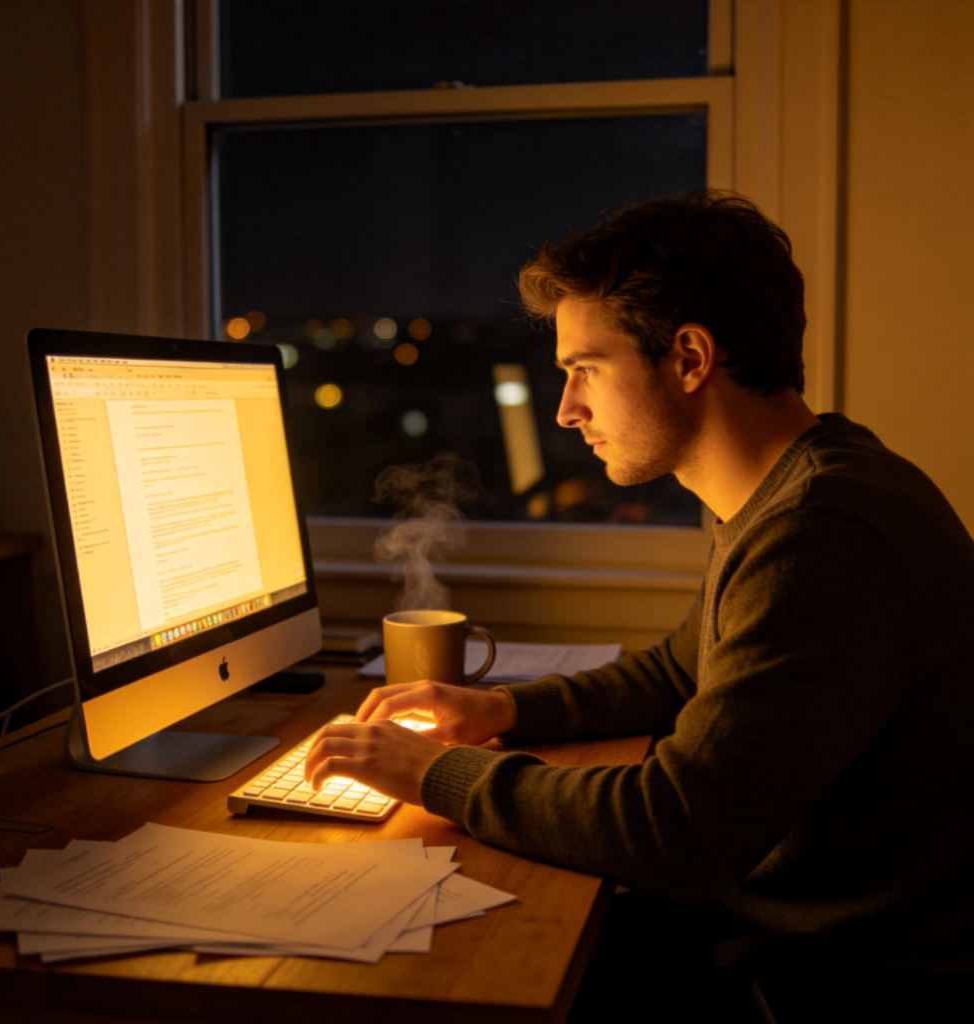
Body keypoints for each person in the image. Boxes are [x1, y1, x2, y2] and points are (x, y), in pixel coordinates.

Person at [304, 191, 974, 987]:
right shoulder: (798, 487)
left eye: (585, 369)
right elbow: (678, 671)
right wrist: (505, 709)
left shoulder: (820, 532)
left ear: (690, 358)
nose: (565, 411)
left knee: (435, 977)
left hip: (834, 973)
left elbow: (675, 835)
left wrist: (428, 774)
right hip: (772, 921)